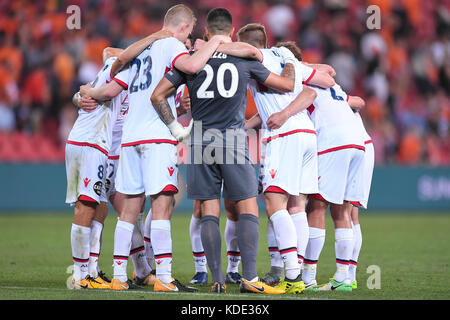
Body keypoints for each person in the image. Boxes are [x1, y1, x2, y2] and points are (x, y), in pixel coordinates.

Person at [151, 8, 297, 294]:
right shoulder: (242, 57)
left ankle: (217, 279)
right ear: (231, 32)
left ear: (206, 34)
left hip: (199, 140)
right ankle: (250, 279)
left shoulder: (190, 62)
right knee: (247, 207)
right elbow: (286, 86)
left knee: (208, 209)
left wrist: (174, 127)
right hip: (231, 139)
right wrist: (289, 61)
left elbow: (157, 95)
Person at [237, 24, 334, 293]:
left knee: (274, 203)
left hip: (284, 135)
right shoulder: (285, 56)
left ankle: (291, 275)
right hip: (306, 133)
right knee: (296, 206)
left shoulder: (253, 57)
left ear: (248, 46)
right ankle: (299, 273)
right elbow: (324, 78)